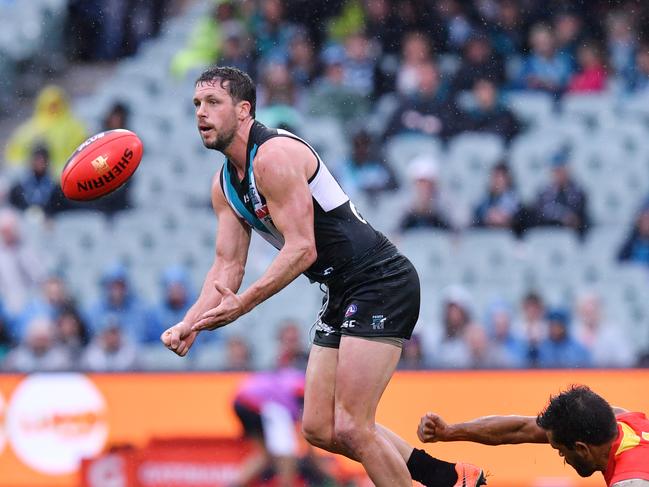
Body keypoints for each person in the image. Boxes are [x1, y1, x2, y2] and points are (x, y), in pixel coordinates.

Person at [160, 66, 485, 487]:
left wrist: (245, 303)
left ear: (244, 111)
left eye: (213, 103)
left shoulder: (274, 157)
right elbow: (226, 267)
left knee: (352, 424)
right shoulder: (224, 186)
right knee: (318, 427)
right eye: (197, 105)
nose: (201, 113)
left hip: (379, 280)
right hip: (342, 290)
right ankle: (449, 477)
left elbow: (302, 248)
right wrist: (191, 323)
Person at [417, 385, 649, 487]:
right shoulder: (621, 421)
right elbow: (520, 429)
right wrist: (449, 432)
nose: (562, 457)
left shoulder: (631, 481)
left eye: (560, 450)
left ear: (582, 449)